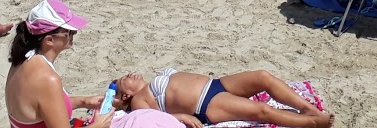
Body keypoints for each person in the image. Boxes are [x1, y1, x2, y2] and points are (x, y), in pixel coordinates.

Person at [5, 0, 116, 128]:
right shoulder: (47, 79)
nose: (74, 33)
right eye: (69, 32)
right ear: (49, 40)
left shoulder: (22, 59)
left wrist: (83, 101)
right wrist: (98, 126)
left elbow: (40, 106)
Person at [130, 67, 332, 127]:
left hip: (215, 84)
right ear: (125, 94)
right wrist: (182, 118)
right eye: (122, 79)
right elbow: (154, 121)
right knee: (262, 111)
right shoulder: (138, 99)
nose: (129, 75)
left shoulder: (151, 82)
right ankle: (312, 123)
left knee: (262, 77)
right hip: (205, 105)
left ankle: (309, 110)